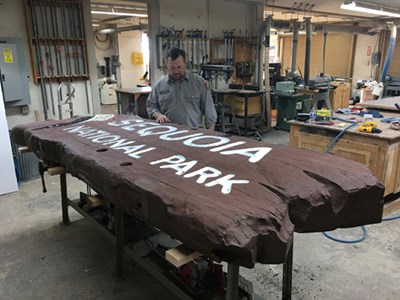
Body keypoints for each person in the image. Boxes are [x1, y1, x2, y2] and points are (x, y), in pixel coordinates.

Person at [146, 48, 217, 130]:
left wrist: (210, 136)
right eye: (172, 68)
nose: (176, 71)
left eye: (179, 67)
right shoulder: (159, 85)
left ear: (185, 64)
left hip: (193, 134)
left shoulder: (199, 83)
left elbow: (210, 113)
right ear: (166, 67)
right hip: (167, 133)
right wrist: (158, 115)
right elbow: (151, 106)